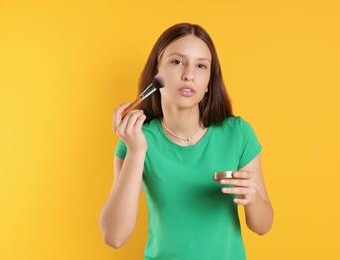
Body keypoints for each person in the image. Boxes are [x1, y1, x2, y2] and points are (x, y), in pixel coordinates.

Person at [99, 23, 274, 259]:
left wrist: (251, 199)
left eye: (201, 66)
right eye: (177, 62)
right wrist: (137, 151)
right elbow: (114, 236)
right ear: (156, 74)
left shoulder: (238, 133)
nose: (189, 74)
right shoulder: (136, 140)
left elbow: (262, 226)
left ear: (209, 84)